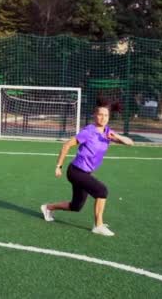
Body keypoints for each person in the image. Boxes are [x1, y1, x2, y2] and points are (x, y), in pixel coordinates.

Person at [40, 98, 133, 236]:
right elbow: (66, 145)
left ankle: (48, 208)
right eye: (100, 114)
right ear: (95, 115)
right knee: (102, 191)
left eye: (106, 115)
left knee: (76, 206)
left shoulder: (107, 133)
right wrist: (58, 166)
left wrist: (117, 136)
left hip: (85, 173)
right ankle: (98, 225)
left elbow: (130, 143)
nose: (103, 118)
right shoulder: (89, 131)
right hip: (76, 171)